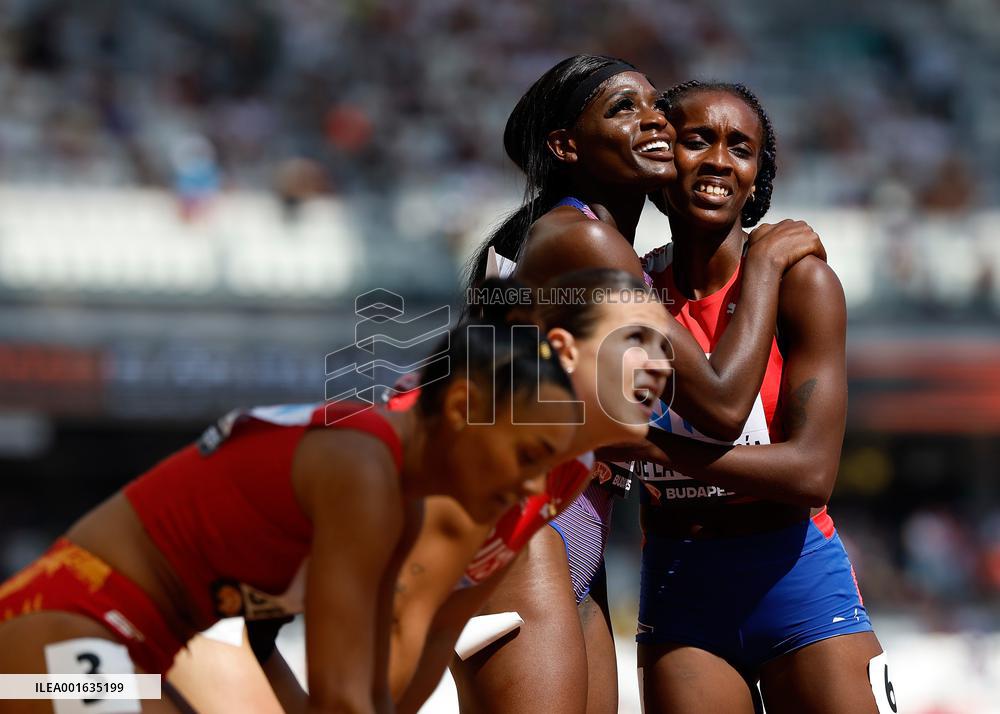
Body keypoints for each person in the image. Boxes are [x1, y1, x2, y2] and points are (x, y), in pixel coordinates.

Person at [455, 55, 826, 714]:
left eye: (655, 105)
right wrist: (763, 264)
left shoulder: (598, 245)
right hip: (514, 530)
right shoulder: (582, 242)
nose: (653, 120)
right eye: (623, 108)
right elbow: (718, 404)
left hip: (571, 524)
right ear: (567, 145)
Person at [0, 304, 579, 714]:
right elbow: (343, 700)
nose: (530, 487)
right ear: (462, 406)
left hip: (127, 645)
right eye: (526, 455)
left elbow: (366, 693)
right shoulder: (365, 475)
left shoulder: (398, 497)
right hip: (69, 624)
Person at [635, 81, 888, 714]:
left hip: (797, 578)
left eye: (740, 148)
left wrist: (652, 449)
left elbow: (810, 474)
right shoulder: (631, 291)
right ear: (663, 159)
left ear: (757, 178)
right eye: (698, 141)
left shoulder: (805, 283)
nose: (720, 160)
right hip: (680, 587)